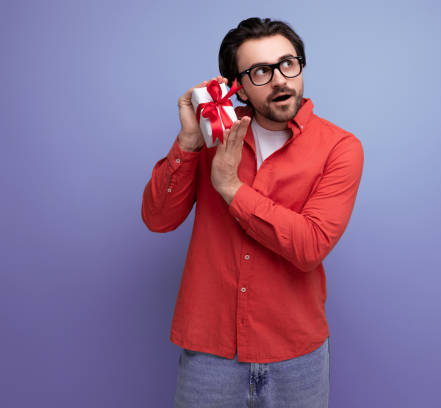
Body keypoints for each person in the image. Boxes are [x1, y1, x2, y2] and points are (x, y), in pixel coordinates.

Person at [141, 17, 364, 408]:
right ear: (237, 87)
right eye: (261, 71)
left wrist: (231, 188)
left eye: (287, 64)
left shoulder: (340, 148)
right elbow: (158, 219)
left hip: (297, 356)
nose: (280, 79)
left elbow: (310, 246)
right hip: (209, 353)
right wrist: (188, 141)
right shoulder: (213, 137)